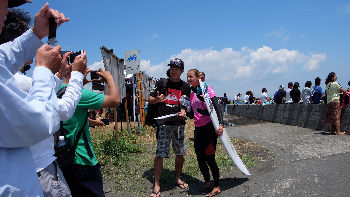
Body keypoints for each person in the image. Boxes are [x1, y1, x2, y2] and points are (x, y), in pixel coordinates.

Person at [0, 7, 87, 196]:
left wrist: (58, 74)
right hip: (40, 170)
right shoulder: (18, 81)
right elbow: (53, 115)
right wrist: (76, 75)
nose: (5, 9)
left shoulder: (13, 76)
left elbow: (5, 57)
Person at [60, 68, 119, 197]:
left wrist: (92, 122)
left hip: (62, 156)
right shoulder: (80, 94)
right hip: (82, 158)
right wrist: (110, 78)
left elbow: (70, 115)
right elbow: (114, 101)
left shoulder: (55, 89)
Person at [148, 58, 191, 197]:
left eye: (177, 68)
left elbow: (185, 103)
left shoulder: (185, 86)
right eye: (172, 67)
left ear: (182, 71)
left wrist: (183, 111)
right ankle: (156, 183)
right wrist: (157, 100)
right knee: (160, 154)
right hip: (164, 125)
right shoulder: (161, 83)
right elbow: (149, 99)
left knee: (180, 153)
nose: (173, 70)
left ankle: (178, 178)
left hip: (179, 125)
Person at [187, 69, 223, 197]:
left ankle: (217, 185)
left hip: (209, 128)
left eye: (191, 77)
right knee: (200, 158)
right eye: (187, 77)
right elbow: (192, 113)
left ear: (197, 78)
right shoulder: (191, 93)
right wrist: (184, 112)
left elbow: (217, 107)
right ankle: (207, 183)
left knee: (209, 157)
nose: (188, 79)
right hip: (198, 129)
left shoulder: (207, 90)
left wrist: (221, 124)